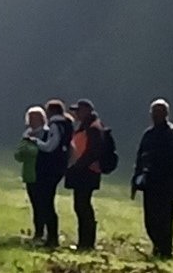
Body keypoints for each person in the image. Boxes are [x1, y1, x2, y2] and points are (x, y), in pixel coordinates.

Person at [132, 98, 173, 259]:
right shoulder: (148, 134)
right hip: (150, 183)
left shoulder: (172, 133)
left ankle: (165, 249)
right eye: (153, 113)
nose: (155, 116)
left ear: (165, 114)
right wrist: (136, 177)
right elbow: (140, 156)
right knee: (150, 219)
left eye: (158, 113)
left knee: (164, 218)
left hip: (165, 184)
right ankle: (157, 244)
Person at [30, 99, 73, 248]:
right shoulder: (67, 125)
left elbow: (50, 146)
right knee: (48, 202)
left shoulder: (55, 126)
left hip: (50, 169)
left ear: (50, 112)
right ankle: (50, 236)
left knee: (46, 203)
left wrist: (35, 141)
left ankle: (52, 238)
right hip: (59, 167)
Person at [65, 98, 107, 250]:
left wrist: (77, 166)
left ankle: (87, 242)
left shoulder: (93, 128)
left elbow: (92, 151)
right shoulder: (87, 126)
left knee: (83, 206)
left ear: (86, 111)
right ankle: (84, 241)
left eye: (78, 110)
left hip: (86, 173)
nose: (75, 114)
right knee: (81, 206)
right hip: (83, 172)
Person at [15, 106, 47, 242]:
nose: (33, 121)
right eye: (31, 118)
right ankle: (38, 232)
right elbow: (18, 154)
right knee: (35, 204)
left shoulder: (46, 134)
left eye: (36, 118)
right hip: (29, 174)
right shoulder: (26, 135)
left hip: (42, 173)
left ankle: (45, 233)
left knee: (43, 204)